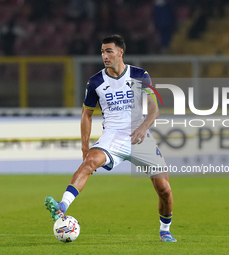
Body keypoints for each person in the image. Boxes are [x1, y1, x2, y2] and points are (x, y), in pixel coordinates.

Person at [44, 35, 176, 242]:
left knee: (164, 190)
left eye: (109, 51)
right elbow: (86, 114)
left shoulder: (140, 75)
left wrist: (143, 127)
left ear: (120, 52)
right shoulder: (95, 82)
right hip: (112, 138)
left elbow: (154, 109)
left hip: (140, 139)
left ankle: (165, 229)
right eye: (102, 52)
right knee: (89, 163)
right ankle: (62, 206)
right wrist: (85, 148)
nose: (105, 56)